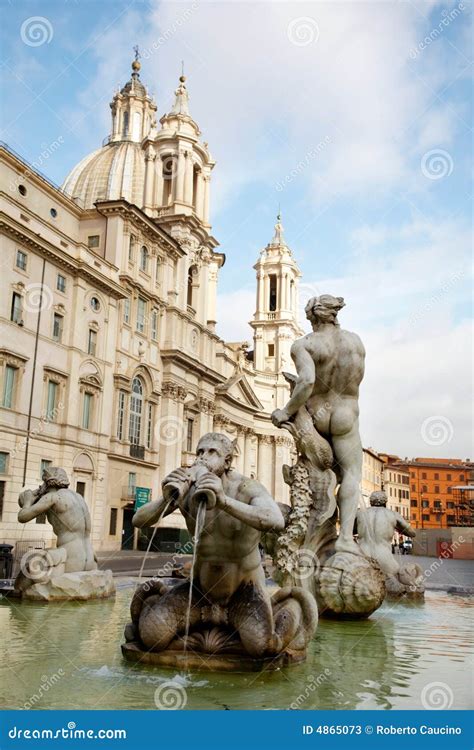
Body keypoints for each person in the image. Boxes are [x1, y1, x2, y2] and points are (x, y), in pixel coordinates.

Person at [132, 432, 317, 657]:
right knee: (151, 637)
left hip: (242, 592)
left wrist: (224, 501)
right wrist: (166, 497)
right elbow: (139, 520)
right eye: (200, 451)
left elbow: (275, 519)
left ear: (227, 461)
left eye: (212, 452)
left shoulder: (246, 488)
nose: (202, 457)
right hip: (199, 592)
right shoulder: (189, 489)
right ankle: (201, 629)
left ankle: (285, 609)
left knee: (261, 647)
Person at [271, 294, 365, 554]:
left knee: (312, 473)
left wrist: (286, 411)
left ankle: (308, 535)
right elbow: (356, 381)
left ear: (312, 316)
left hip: (317, 416)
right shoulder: (355, 342)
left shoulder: (304, 344)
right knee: (351, 475)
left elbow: (307, 382)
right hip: (347, 413)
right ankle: (345, 538)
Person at [15, 467, 96, 591]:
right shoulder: (79, 498)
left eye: (43, 482)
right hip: (90, 560)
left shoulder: (53, 497)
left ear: (47, 483)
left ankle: (18, 604)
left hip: (70, 560)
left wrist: (27, 501)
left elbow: (22, 516)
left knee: (27, 572)